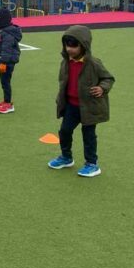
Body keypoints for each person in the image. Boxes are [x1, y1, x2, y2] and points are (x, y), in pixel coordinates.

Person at [48, 25, 115, 178]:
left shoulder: (94, 63)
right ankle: (66, 157)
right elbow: (63, 83)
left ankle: (92, 164)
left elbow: (108, 78)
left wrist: (102, 88)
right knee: (64, 131)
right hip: (71, 106)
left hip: (89, 107)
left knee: (88, 135)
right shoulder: (65, 62)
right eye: (67, 45)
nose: (69, 49)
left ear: (83, 45)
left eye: (74, 46)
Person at [0, 7, 22, 114]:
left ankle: (8, 104)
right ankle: (6, 101)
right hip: (4, 62)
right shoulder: (3, 32)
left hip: (7, 62)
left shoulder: (7, 34)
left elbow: (6, 49)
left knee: (6, 82)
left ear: (2, 20)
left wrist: (3, 62)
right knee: (4, 82)